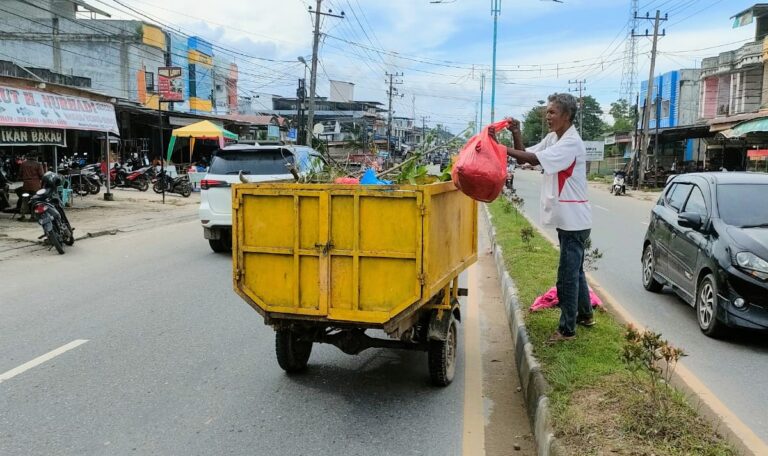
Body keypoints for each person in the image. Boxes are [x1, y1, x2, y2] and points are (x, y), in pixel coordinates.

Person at [491, 93, 594, 342]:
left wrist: (499, 148)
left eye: (552, 112)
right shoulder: (554, 138)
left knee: (567, 276)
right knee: (576, 271)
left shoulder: (570, 143)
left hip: (574, 220)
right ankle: (586, 315)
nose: (547, 116)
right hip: (569, 219)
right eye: (547, 112)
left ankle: (567, 330)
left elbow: (534, 159)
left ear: (566, 116)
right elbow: (526, 155)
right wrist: (516, 132)